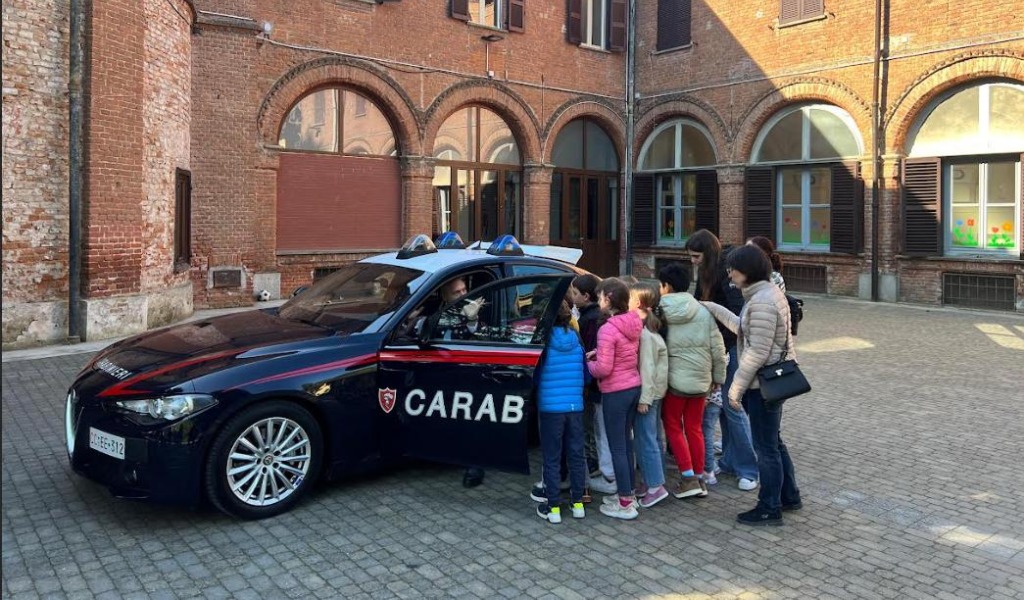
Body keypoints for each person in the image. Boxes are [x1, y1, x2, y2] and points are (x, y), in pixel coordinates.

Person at [701, 245, 802, 526]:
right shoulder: (762, 294)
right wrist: (711, 307)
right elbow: (744, 327)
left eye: (732, 268)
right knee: (773, 443)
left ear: (746, 270)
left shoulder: (762, 301)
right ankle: (789, 496)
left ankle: (769, 507)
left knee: (766, 448)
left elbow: (756, 351)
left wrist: (734, 390)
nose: (729, 273)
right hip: (768, 382)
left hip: (763, 386)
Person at [685, 230, 759, 491]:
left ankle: (749, 468)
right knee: (726, 411)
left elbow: (738, 316)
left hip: (733, 349)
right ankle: (729, 460)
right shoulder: (706, 272)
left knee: (733, 406)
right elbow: (696, 303)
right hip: (720, 349)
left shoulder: (725, 273)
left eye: (696, 256)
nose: (693, 261)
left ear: (708, 253)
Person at [658, 263, 727, 499]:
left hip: (674, 381)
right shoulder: (702, 310)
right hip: (701, 380)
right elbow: (718, 348)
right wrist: (718, 377)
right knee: (695, 428)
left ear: (666, 286)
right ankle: (700, 477)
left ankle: (687, 478)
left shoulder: (659, 311)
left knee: (674, 427)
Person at [587, 278, 643, 520]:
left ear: (608, 299)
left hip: (615, 392)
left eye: (600, 297)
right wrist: (599, 352)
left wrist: (589, 363)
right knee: (627, 444)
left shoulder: (607, 328)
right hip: (633, 386)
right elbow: (623, 352)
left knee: (617, 446)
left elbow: (603, 369)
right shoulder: (632, 321)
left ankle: (624, 503)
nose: (598, 300)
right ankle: (629, 493)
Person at [534, 301, 589, 524]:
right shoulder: (577, 339)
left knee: (552, 458)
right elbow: (586, 376)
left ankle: (553, 507)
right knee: (576, 456)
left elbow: (536, 377)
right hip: (575, 408)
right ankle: (578, 505)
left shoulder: (543, 342)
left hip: (550, 409)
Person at [629, 282, 670, 508]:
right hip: (655, 393)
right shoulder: (650, 330)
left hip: (649, 395)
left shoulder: (645, 335)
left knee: (646, 440)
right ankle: (652, 480)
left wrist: (644, 398)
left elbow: (647, 368)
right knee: (652, 438)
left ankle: (655, 486)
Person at [572, 274, 613, 493]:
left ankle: (595, 463)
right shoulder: (590, 316)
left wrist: (586, 379)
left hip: (595, 383)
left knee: (594, 427)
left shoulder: (591, 320)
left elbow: (589, 351)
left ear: (586, 296)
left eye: (575, 293)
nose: (572, 296)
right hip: (597, 383)